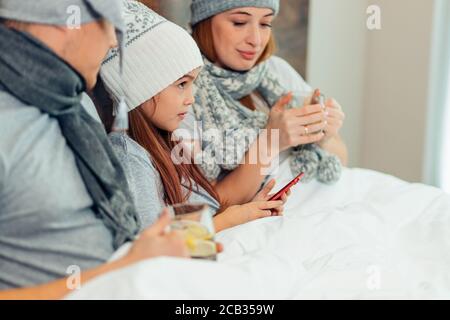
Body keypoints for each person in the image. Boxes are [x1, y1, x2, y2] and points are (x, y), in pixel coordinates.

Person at [0, 0, 188, 299]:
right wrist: (124, 268)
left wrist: (146, 256)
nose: (114, 41)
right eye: (109, 25)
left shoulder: (76, 106)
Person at [98, 0, 287, 232]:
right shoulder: (129, 157)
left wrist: (251, 208)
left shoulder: (169, 143)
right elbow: (152, 240)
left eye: (192, 85)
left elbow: (201, 211)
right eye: (182, 84)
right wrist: (230, 220)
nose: (191, 98)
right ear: (142, 86)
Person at [181, 0, 348, 206]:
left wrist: (323, 135)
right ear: (204, 21)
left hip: (320, 201)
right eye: (240, 22)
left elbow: (341, 157)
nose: (256, 40)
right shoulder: (183, 90)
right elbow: (208, 206)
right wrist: (270, 142)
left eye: (265, 24)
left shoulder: (276, 71)